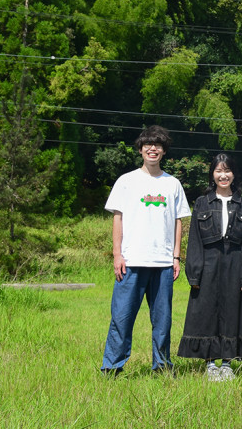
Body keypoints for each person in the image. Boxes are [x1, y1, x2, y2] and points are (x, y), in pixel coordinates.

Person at [100, 125, 191, 375]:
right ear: (140, 149)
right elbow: (118, 218)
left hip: (162, 263)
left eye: (158, 145)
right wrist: (117, 254)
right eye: (148, 144)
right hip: (131, 261)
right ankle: (112, 366)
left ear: (164, 151)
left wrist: (175, 256)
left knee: (162, 321)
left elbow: (178, 222)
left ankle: (161, 366)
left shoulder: (172, 183)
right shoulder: (126, 181)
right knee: (122, 318)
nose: (153, 148)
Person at [178, 153, 242, 380]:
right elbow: (194, 240)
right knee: (206, 311)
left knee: (231, 310)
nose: (223, 175)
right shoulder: (202, 203)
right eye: (218, 171)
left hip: (234, 263)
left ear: (234, 174)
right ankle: (209, 364)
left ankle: (227, 362)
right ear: (212, 174)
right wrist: (194, 273)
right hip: (208, 263)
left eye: (227, 171)